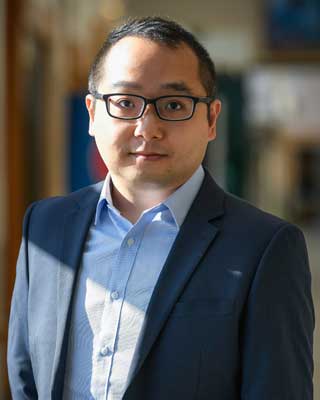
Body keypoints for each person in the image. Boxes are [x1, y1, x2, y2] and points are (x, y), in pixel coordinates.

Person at [7, 16, 314, 400]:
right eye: (125, 102)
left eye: (173, 104)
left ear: (211, 119)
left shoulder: (265, 248)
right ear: (91, 113)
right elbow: (26, 381)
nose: (147, 127)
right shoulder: (45, 227)